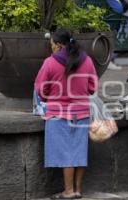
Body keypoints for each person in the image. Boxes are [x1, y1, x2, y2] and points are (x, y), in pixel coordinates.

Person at [35, 29, 98, 199]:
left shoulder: (50, 62)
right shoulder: (87, 60)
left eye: (52, 45)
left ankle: (68, 191)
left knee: (66, 153)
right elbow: (92, 88)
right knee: (79, 151)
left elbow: (41, 90)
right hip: (82, 114)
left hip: (58, 115)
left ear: (59, 45)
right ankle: (77, 190)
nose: (51, 48)